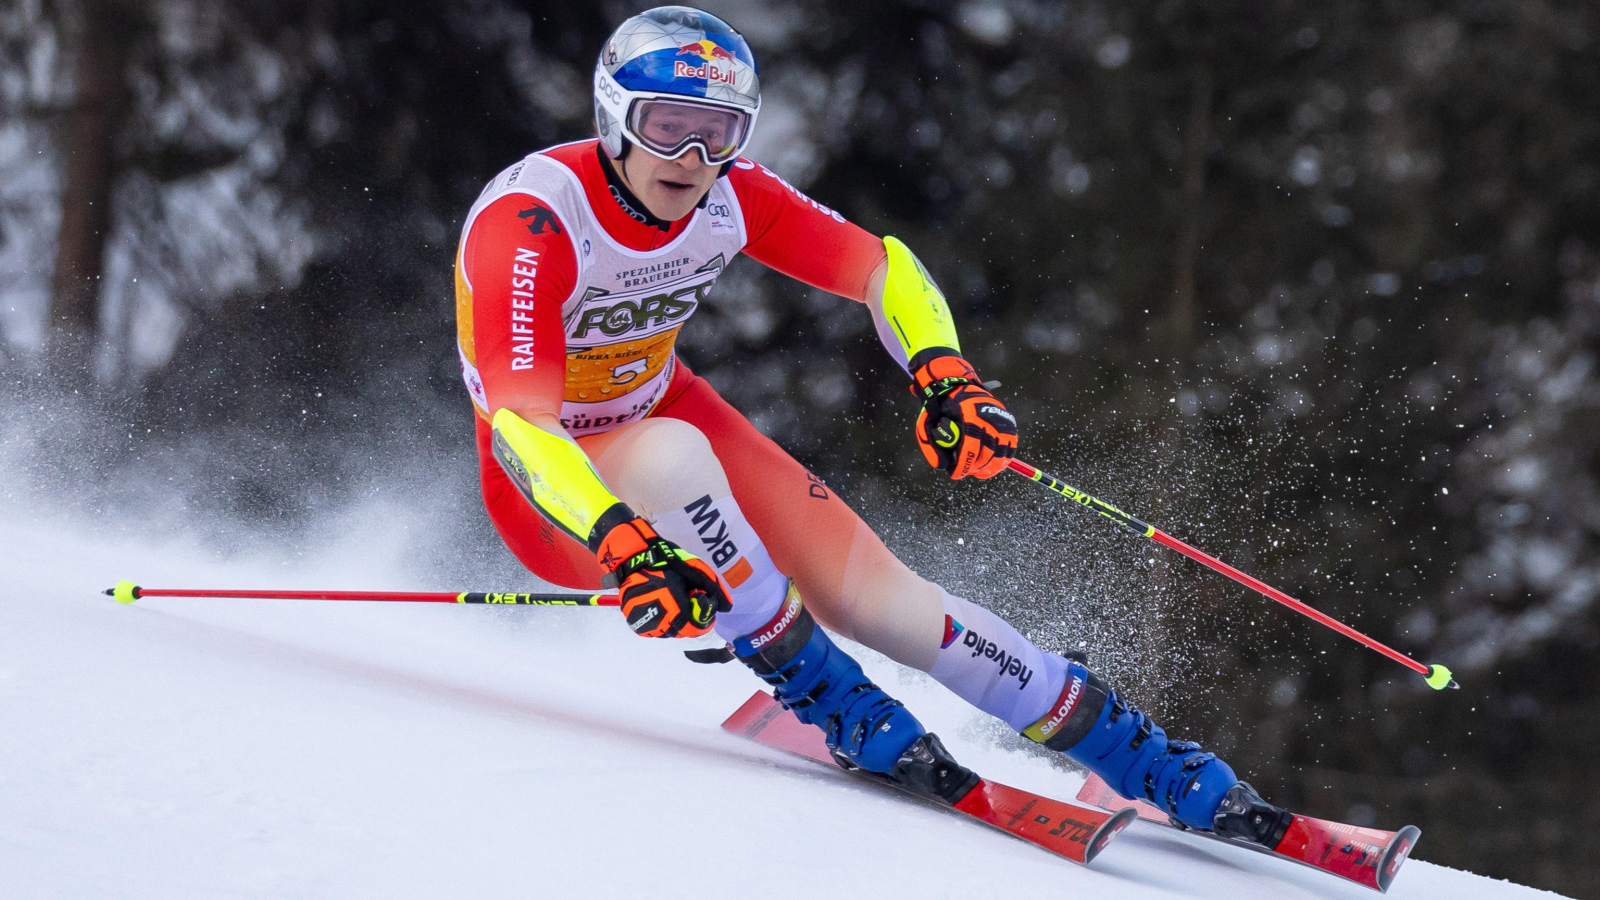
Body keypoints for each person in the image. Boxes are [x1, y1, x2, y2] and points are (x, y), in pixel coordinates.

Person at [455, 5, 1288, 842]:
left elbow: (881, 267)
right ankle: (831, 694)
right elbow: (522, 425)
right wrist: (620, 541)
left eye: (719, 133)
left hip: (668, 410)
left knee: (890, 606)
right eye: (666, 129)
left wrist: (945, 375)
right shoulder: (534, 223)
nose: (692, 159)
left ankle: (1138, 756)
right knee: (674, 457)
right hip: (551, 485)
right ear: (614, 118)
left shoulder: (731, 196)